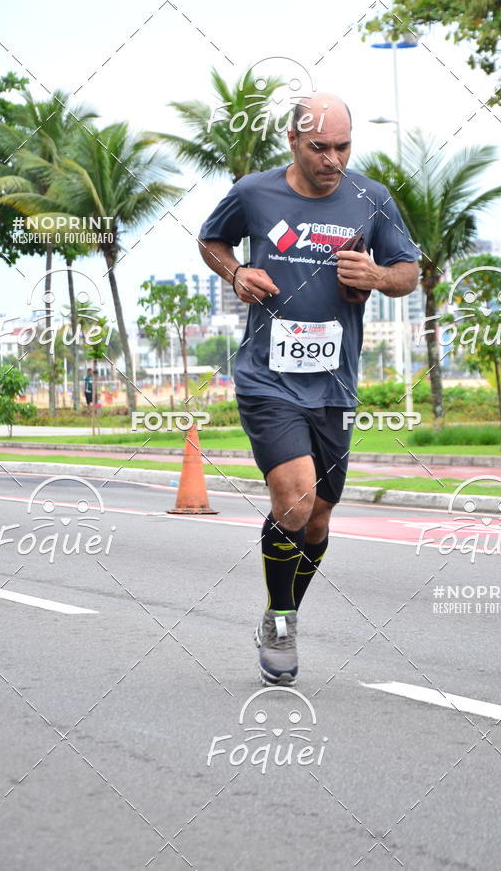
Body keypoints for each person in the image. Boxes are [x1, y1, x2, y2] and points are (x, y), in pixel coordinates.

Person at [199, 92, 419, 686]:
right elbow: (211, 241)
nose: (333, 159)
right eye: (320, 147)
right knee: (294, 499)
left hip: (336, 383)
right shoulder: (254, 193)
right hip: (267, 377)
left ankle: (285, 607)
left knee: (319, 518)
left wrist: (376, 275)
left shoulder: (372, 198)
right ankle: (280, 620)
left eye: (344, 146)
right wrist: (237, 272)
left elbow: (409, 270)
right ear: (293, 142)